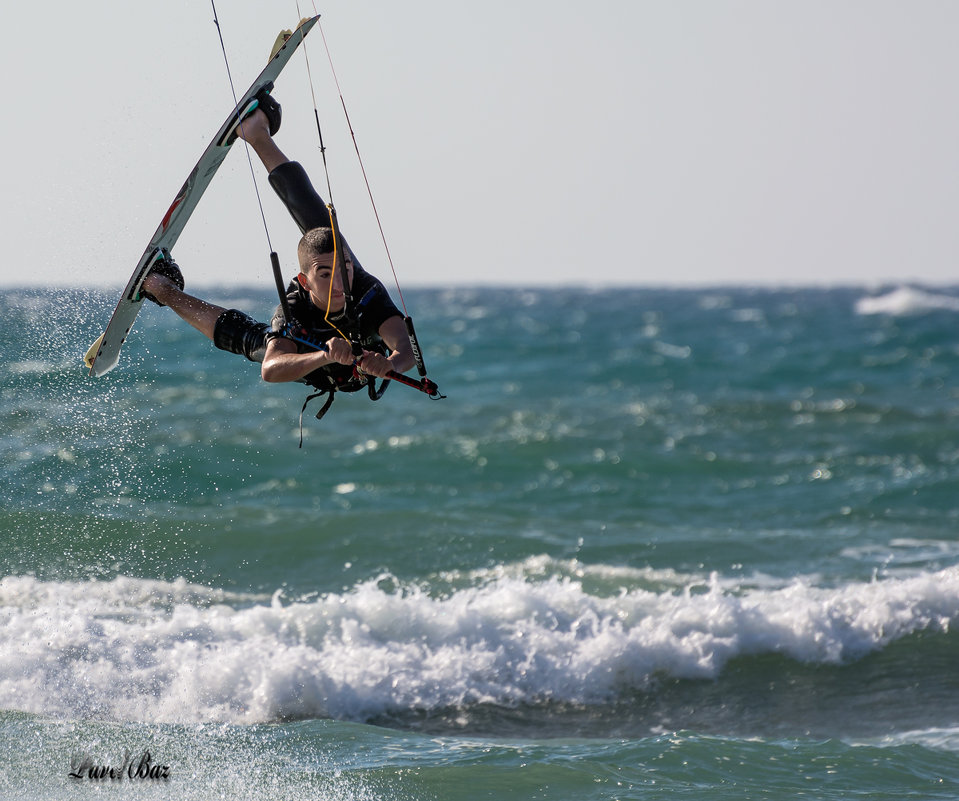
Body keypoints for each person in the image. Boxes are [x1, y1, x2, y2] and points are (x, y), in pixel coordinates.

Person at [140, 93, 414, 402]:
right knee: (251, 336)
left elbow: (406, 349)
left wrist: (388, 363)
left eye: (344, 270)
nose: (339, 283)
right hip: (310, 362)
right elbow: (271, 368)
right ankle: (256, 132)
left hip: (350, 376)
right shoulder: (293, 307)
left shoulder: (366, 291)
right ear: (303, 281)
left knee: (322, 227)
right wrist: (325, 355)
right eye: (325, 274)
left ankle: (159, 287)